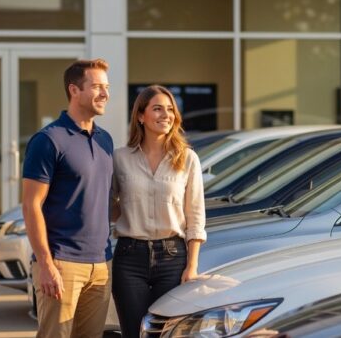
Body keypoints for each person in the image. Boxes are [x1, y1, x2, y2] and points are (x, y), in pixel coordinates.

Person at [22, 59, 113, 338]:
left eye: (106, 87)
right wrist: (46, 264)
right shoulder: (49, 140)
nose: (105, 94)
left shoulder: (105, 140)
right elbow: (31, 205)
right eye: (97, 86)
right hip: (63, 262)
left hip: (101, 264)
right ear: (74, 90)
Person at [111, 85, 206, 338]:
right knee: (133, 333)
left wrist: (192, 266)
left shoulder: (187, 159)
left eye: (170, 109)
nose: (166, 115)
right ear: (140, 116)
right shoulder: (119, 158)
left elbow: (196, 216)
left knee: (167, 333)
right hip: (129, 259)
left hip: (173, 259)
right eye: (157, 109)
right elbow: (109, 207)